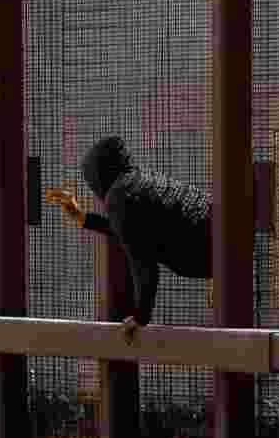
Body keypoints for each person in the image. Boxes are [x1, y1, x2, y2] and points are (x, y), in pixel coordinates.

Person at [45, 135, 212, 344]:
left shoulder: (120, 196)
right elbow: (135, 234)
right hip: (222, 241)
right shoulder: (137, 181)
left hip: (212, 253)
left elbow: (143, 263)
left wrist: (140, 317)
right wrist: (83, 218)